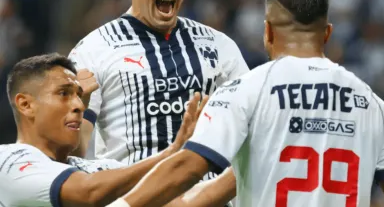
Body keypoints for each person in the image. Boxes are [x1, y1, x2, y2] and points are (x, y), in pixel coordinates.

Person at [107, 0, 384, 207]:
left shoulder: (246, 90)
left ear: (267, 31)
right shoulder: (374, 105)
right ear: (328, 33)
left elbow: (188, 168)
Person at [68, 0, 248, 165]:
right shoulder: (93, 49)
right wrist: (78, 107)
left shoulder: (219, 45)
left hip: (206, 196)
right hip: (132, 196)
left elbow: (249, 129)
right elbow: (72, 155)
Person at [0, 53, 234, 207]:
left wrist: (246, 167)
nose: (79, 105)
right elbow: (89, 193)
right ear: (25, 104)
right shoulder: (7, 163)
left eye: (79, 96)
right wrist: (171, 152)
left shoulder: (101, 169)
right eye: (64, 94)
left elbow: (182, 202)